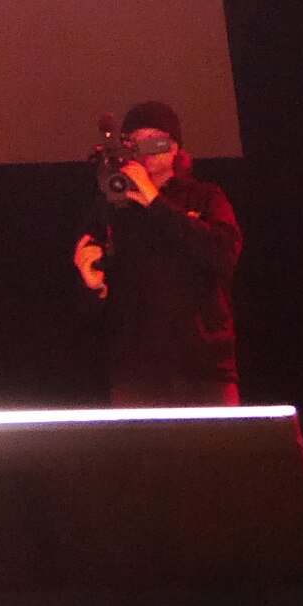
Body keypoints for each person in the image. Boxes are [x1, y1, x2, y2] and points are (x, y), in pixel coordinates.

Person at [72, 101, 240, 406]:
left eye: (154, 140)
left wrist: (153, 199)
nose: (144, 149)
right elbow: (87, 308)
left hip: (205, 372)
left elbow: (223, 255)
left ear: (174, 147)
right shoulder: (111, 208)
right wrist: (92, 285)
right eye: (135, 141)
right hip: (136, 376)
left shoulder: (205, 197)